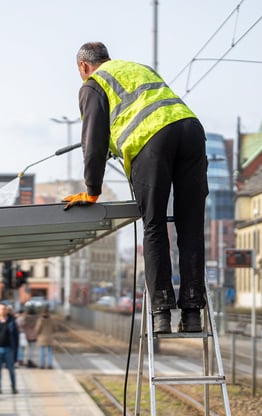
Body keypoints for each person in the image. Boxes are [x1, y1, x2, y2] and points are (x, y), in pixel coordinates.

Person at [66, 41, 207, 334]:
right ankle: (193, 313)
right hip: (191, 130)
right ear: (108, 58)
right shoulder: (137, 69)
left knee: (154, 225)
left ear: (83, 66)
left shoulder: (93, 84)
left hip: (152, 141)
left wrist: (92, 189)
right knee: (190, 226)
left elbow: (92, 143)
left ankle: (161, 312)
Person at [0, 303, 19, 394]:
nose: (2, 311)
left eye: (4, 309)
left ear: (7, 311)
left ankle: (13, 387)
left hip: (9, 349)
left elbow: (16, 337)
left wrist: (16, 352)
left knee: (11, 369)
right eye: (0, 309)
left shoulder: (12, 322)